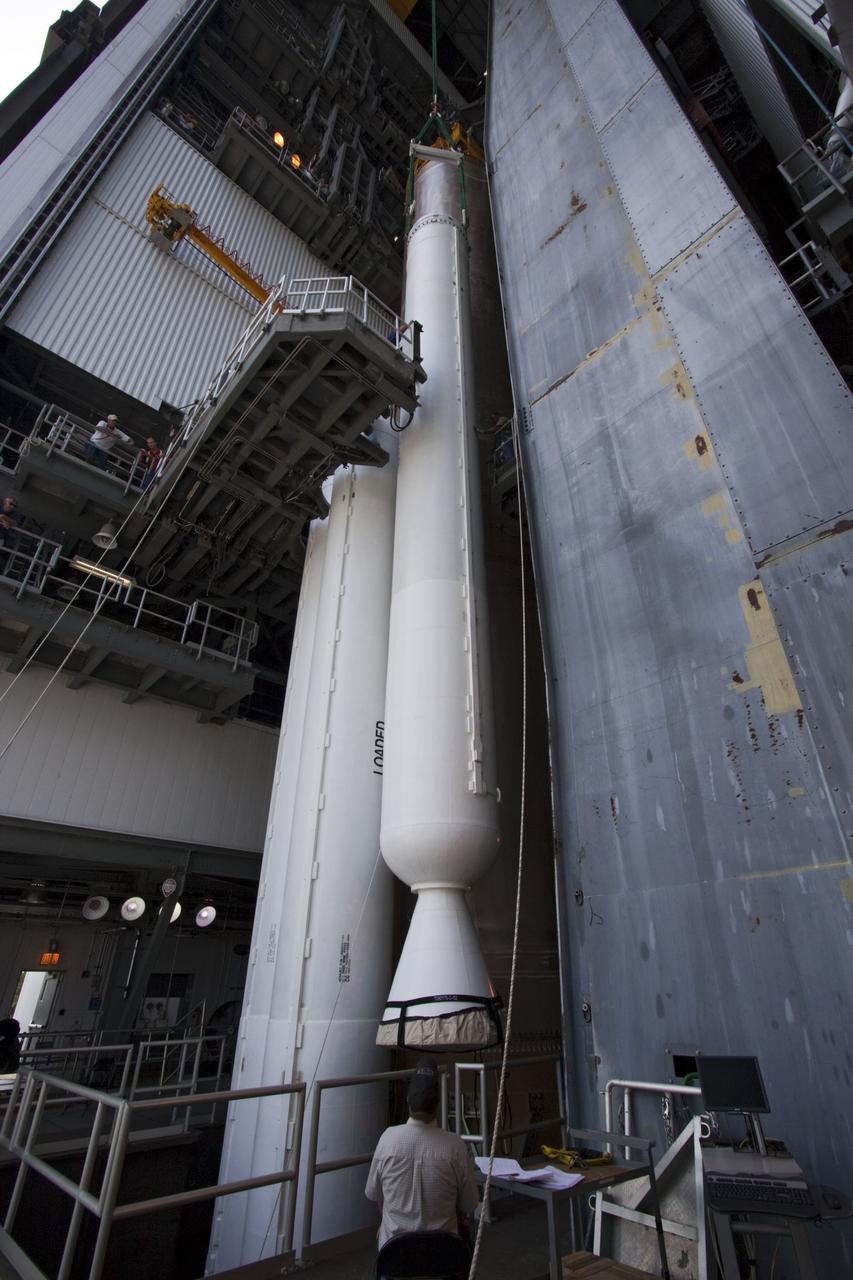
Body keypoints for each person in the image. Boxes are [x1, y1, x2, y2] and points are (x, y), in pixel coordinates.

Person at [365, 1057, 478, 1248]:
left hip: (395, 1255)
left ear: (408, 1100)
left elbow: (375, 1194)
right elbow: (469, 1204)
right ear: (437, 1104)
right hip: (443, 1255)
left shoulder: (388, 1139)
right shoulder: (454, 1146)